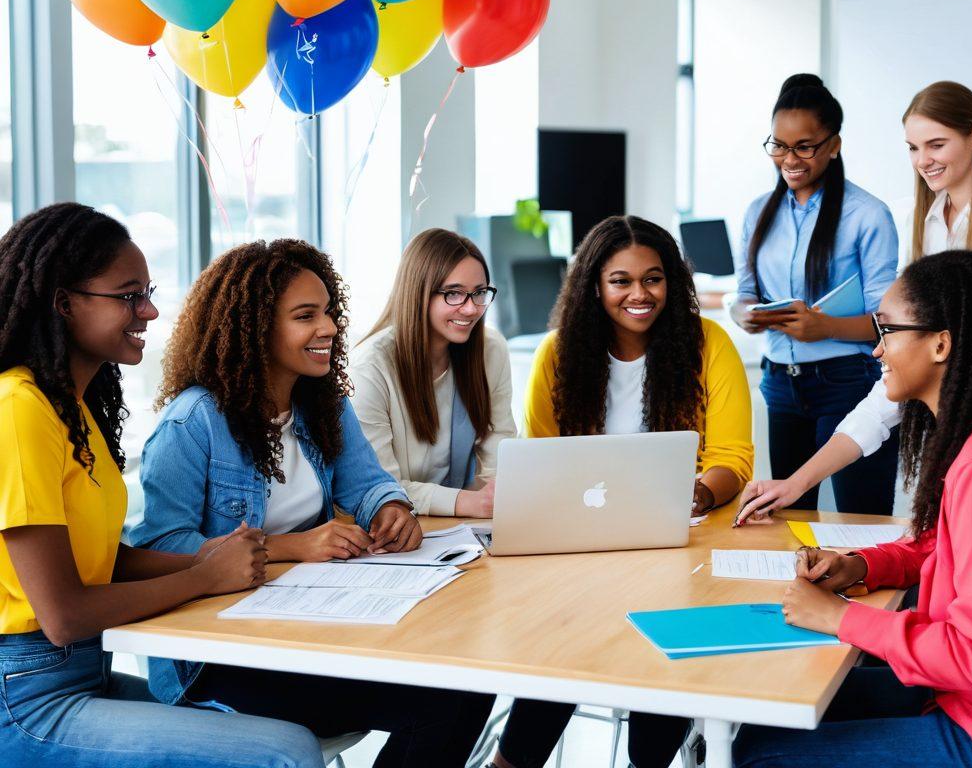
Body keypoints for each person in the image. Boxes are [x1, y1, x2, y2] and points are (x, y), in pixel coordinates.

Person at [132, 238, 494, 766]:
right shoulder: (194, 423)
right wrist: (292, 546)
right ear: (256, 328)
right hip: (218, 660)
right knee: (443, 700)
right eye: (306, 316)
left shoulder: (320, 402)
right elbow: (162, 547)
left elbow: (367, 483)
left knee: (469, 678)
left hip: (310, 625)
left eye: (327, 312)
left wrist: (390, 510)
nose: (327, 328)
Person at [0, 204, 325, 768]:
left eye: (147, 291)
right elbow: (64, 614)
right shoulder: (18, 409)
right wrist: (202, 576)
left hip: (80, 677)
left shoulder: (72, 410)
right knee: (286, 752)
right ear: (63, 302)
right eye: (128, 295)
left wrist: (208, 554)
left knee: (265, 727)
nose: (149, 310)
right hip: (27, 700)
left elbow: (106, 560)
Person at [733, 249, 972, 768]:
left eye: (887, 331)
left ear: (941, 344)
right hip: (967, 702)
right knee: (764, 715)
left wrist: (840, 618)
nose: (876, 350)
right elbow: (942, 547)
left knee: (761, 753)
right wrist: (862, 565)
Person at [488, 215, 753, 768]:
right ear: (594, 285)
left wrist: (697, 494)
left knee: (667, 624)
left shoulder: (709, 344)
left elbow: (732, 459)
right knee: (563, 638)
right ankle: (512, 761)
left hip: (679, 546)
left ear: (672, 281)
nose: (639, 294)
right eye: (621, 281)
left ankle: (648, 760)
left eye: (653, 279)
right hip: (578, 555)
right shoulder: (558, 354)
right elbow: (541, 460)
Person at [736, 80, 972, 524]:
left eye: (936, 144)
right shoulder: (921, 222)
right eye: (912, 147)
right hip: (951, 426)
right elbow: (886, 396)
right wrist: (797, 483)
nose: (922, 160)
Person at [730, 74, 899, 515]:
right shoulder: (756, 214)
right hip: (781, 385)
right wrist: (746, 314)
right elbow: (743, 294)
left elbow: (888, 323)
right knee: (787, 517)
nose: (790, 159)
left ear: (834, 144)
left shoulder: (868, 216)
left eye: (804, 146)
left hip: (848, 382)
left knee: (859, 521)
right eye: (779, 146)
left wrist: (823, 327)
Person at [349, 228, 517, 519]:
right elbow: (379, 488)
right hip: (398, 527)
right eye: (453, 293)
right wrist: (466, 503)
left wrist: (497, 494)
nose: (470, 308)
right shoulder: (369, 369)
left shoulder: (491, 350)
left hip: (462, 528)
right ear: (418, 293)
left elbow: (498, 450)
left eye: (479, 293)